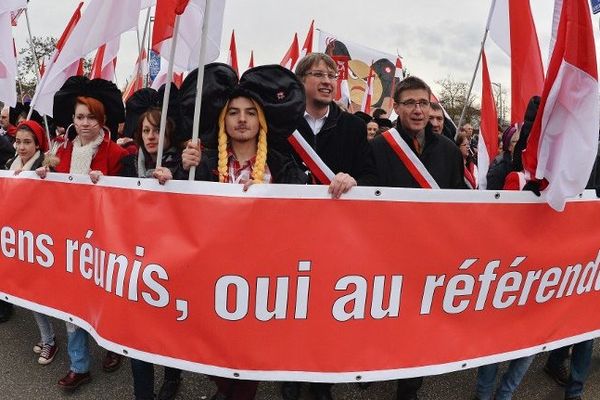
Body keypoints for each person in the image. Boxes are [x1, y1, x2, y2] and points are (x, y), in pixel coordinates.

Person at [176, 63, 308, 400]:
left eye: (250, 112)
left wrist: (341, 183)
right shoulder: (202, 163)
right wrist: (178, 171)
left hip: (260, 281)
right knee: (213, 355)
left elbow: (306, 216)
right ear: (223, 119)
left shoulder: (282, 166)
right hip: (212, 278)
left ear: (261, 119)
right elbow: (176, 212)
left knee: (246, 360)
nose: (242, 119)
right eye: (233, 111)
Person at [278, 52, 377, 400]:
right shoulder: (283, 123)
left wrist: (355, 180)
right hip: (290, 237)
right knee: (290, 308)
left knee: (326, 311)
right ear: (300, 80)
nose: (326, 80)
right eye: (317, 73)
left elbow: (369, 174)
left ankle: (323, 382)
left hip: (336, 240)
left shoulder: (352, 126)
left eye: (331, 74)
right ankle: (289, 378)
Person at [370, 76, 464, 400]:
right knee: (385, 318)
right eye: (409, 103)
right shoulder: (380, 146)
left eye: (423, 103)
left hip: (429, 256)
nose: (418, 109)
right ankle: (375, 364)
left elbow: (458, 200)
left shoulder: (450, 151)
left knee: (420, 323)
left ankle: (409, 385)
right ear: (396, 107)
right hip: (388, 254)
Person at [36, 76, 128, 389]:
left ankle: (113, 347)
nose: (85, 123)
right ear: (72, 120)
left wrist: (110, 186)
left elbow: (130, 201)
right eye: (79, 117)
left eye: (91, 117)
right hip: (68, 242)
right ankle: (80, 365)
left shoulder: (116, 154)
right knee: (71, 305)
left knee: (104, 301)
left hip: (103, 243)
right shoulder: (59, 152)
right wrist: (42, 176)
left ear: (102, 120)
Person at [121, 88, 183, 400]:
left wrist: (177, 178)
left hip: (170, 264)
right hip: (134, 261)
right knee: (137, 336)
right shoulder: (129, 165)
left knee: (167, 330)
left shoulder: (183, 165)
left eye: (157, 129)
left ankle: (172, 377)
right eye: (146, 130)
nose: (151, 136)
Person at [4, 120, 60, 364]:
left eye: (27, 142)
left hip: (45, 243)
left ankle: (51, 341)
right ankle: (47, 337)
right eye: (18, 141)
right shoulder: (9, 165)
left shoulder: (47, 168)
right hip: (21, 242)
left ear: (38, 144)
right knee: (30, 293)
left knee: (45, 294)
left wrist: (46, 179)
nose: (21, 147)